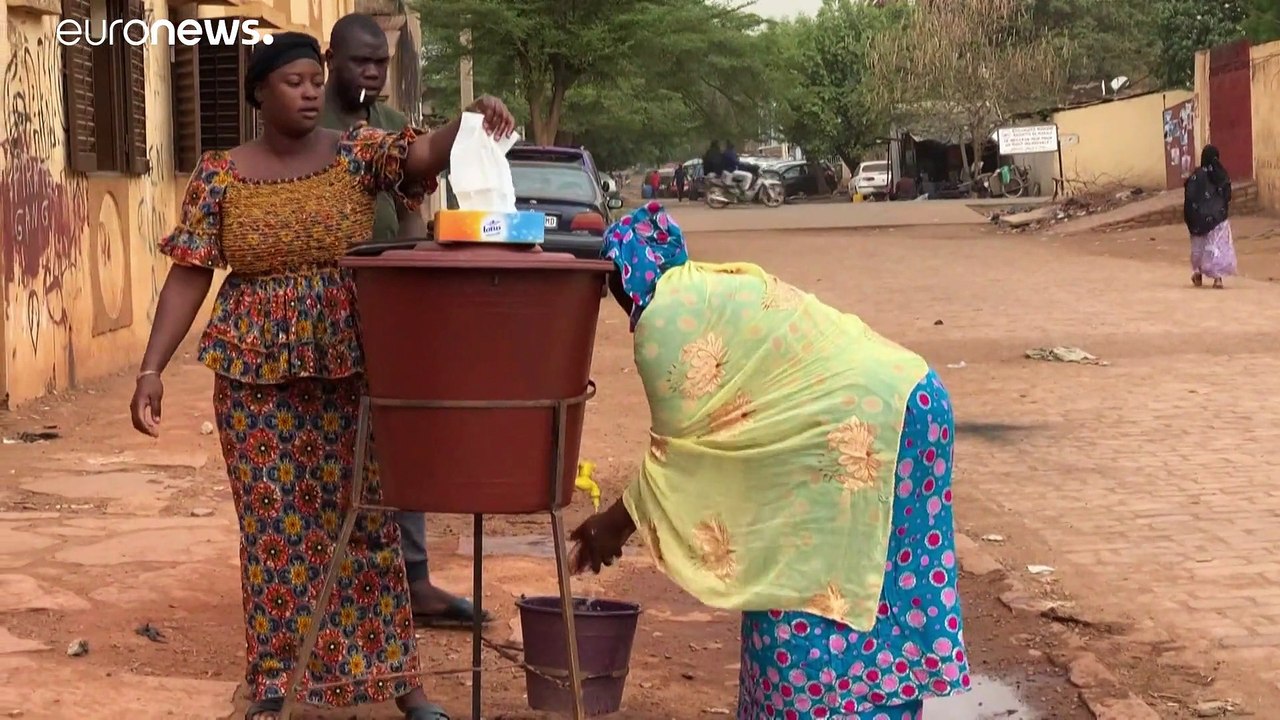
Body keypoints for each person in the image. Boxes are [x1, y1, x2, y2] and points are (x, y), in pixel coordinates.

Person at [129, 31, 515, 720]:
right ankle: (278, 685)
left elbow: (421, 153)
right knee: (273, 531)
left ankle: (402, 682)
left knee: (365, 525)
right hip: (253, 374)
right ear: (258, 92)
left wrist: (471, 115)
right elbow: (189, 272)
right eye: (292, 81)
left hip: (349, 363)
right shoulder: (221, 172)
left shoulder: (358, 151)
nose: (309, 91)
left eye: (315, 80)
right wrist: (151, 368)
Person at [570, 202, 972, 720]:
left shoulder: (665, 316)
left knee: (806, 581)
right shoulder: (714, 285)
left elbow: (681, 456)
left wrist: (613, 526)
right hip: (914, 399)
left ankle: (816, 707)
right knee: (875, 585)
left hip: (875, 428)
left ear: (625, 275)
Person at [321, 11, 489, 631]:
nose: (369, 71)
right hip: (322, 305)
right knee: (332, 449)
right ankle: (334, 585)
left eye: (379, 63)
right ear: (329, 57)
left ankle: (413, 579)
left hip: (387, 305)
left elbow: (414, 203)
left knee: (403, 439)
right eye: (359, 60)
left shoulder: (393, 127)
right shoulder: (308, 120)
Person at [1184, 144, 1237, 289]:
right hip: (1218, 219)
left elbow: (1190, 196)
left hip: (1199, 220)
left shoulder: (1196, 176)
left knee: (1198, 247)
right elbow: (1227, 195)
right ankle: (1218, 278)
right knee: (1216, 246)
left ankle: (1198, 274)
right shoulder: (1221, 175)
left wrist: (1193, 215)